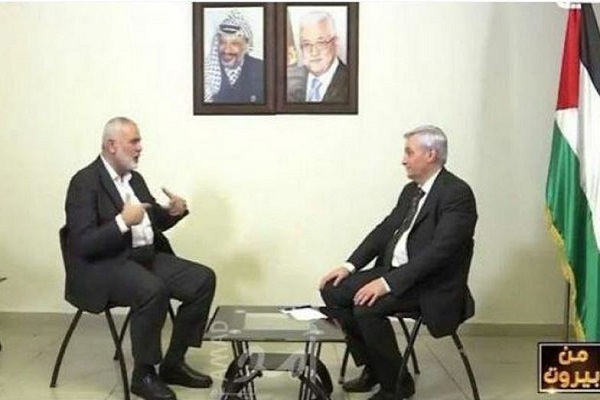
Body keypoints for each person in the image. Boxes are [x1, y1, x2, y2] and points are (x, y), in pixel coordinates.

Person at [319, 125, 477, 400]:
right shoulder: (411, 191)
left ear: (431, 154)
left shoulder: (457, 193)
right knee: (333, 289)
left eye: (409, 152)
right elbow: (384, 230)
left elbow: (440, 252)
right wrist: (349, 266)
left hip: (431, 284)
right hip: (397, 273)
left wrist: (387, 283)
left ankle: (396, 386)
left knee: (367, 307)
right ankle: (374, 368)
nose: (403, 160)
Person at [64, 117, 216, 400]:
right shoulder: (84, 182)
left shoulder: (136, 179)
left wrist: (173, 212)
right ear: (112, 145)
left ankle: (173, 363)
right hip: (105, 265)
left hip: (145, 257)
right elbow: (83, 244)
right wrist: (122, 222)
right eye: (134, 141)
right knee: (152, 290)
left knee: (202, 280)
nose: (140, 147)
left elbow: (152, 221)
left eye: (139, 141)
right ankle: (143, 375)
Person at [287, 11, 348, 103]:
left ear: (335, 43)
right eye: (307, 44)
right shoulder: (289, 82)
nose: (314, 52)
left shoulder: (352, 82)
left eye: (320, 43)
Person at [204, 9, 264, 103]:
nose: (226, 50)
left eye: (234, 43)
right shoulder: (206, 71)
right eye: (222, 42)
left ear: (246, 46)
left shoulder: (261, 69)